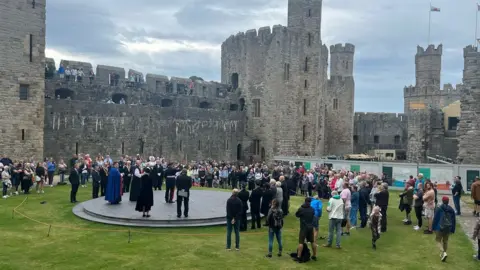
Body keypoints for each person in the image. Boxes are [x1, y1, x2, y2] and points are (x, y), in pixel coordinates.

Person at [432, 196, 456, 262]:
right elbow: (453, 220)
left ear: (442, 201)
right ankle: (444, 253)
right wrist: (452, 229)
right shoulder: (451, 209)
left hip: (439, 227)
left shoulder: (439, 208)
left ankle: (443, 252)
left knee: (438, 240)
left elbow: (435, 219)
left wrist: (433, 227)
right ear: (448, 201)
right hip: (448, 228)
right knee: (445, 241)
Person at [295, 197, 317, 262]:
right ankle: (314, 255)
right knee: (312, 241)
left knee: (301, 242)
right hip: (310, 227)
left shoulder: (301, 209)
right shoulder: (312, 209)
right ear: (310, 202)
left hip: (304, 227)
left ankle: (298, 256)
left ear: (305, 201)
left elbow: (297, 215)